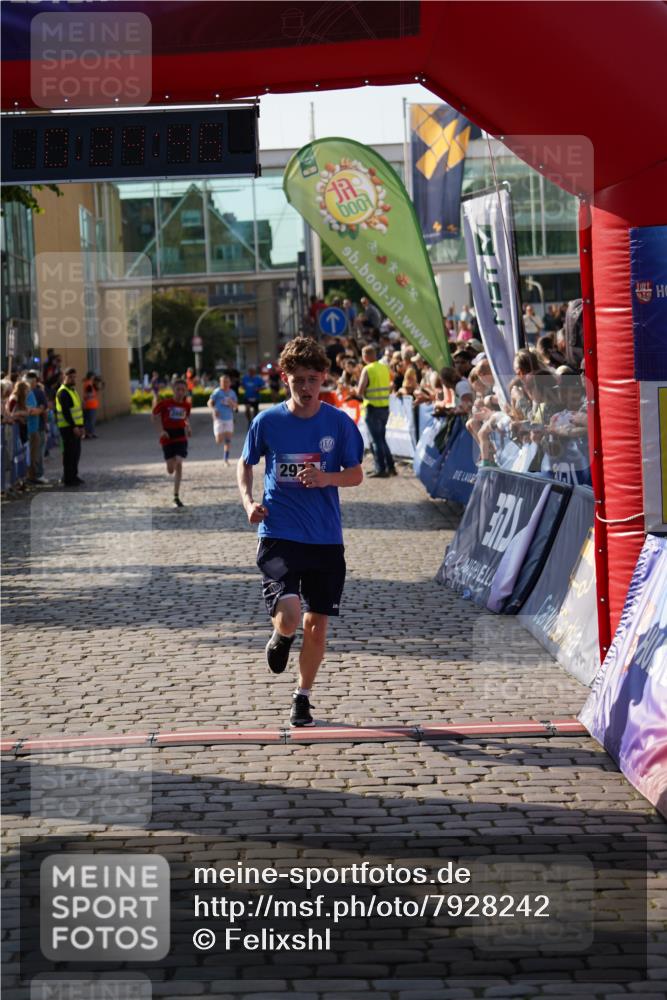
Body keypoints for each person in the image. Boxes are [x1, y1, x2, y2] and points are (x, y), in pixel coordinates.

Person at [237, 336, 364, 727]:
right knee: (292, 615)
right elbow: (245, 463)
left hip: (325, 538)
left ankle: (302, 696)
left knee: (316, 624)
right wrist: (248, 502)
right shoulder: (268, 422)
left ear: (324, 378)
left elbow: (356, 474)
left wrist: (327, 477)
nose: (306, 388)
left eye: (313, 379)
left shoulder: (339, 423)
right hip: (279, 532)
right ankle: (281, 635)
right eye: (298, 380)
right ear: (285, 378)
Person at [355, 344, 396, 478]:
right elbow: (391, 385)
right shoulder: (384, 368)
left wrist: (356, 391)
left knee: (375, 440)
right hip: (384, 407)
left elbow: (360, 390)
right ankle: (391, 467)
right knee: (382, 439)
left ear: (366, 356)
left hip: (371, 407)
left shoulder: (367, 369)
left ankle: (380, 469)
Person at [153, 378, 191, 508]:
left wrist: (188, 427)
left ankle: (176, 495)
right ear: (173, 390)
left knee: (179, 461)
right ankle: (172, 465)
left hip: (180, 437)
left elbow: (186, 418)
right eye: (178, 389)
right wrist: (161, 430)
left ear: (186, 391)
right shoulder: (165, 404)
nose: (180, 392)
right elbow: (154, 416)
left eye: (183, 390)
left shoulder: (186, 405)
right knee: (170, 470)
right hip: (167, 437)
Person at [55, 367, 85, 486]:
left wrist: (82, 426)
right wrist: (74, 427)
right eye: (70, 377)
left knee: (76, 453)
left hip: (76, 426)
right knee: (69, 454)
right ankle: (68, 478)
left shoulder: (73, 390)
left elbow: (78, 411)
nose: (73, 379)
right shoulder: (63, 392)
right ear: (64, 377)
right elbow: (66, 412)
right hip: (67, 427)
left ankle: (74, 475)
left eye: (74, 377)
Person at [207, 374, 238, 465]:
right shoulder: (217, 392)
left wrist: (232, 403)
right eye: (223, 382)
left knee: (228, 440)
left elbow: (236, 406)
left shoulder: (232, 393)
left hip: (229, 418)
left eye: (227, 382)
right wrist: (213, 410)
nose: (225, 383)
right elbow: (209, 402)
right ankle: (222, 435)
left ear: (230, 383)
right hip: (218, 419)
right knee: (219, 440)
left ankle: (225, 459)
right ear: (220, 382)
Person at [24, 371, 48, 485]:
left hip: (31, 427)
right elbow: (43, 409)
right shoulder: (37, 392)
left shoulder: (27, 392)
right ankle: (37, 474)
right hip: (37, 427)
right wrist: (40, 412)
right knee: (37, 453)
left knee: (32, 453)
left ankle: (32, 475)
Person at [82, 371, 102, 439]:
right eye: (93, 376)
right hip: (90, 405)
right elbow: (88, 394)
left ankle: (90, 433)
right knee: (90, 421)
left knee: (89, 420)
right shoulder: (89, 384)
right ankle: (88, 434)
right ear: (91, 377)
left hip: (90, 405)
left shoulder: (90, 383)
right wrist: (93, 394)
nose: (94, 377)